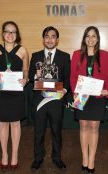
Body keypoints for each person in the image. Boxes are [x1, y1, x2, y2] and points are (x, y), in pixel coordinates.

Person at [70, 26, 108, 174]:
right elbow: (73, 77)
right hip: (81, 96)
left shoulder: (105, 55)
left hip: (98, 96)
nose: (91, 39)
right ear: (84, 38)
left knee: (94, 127)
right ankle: (84, 159)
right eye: (88, 36)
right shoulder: (76, 54)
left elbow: (107, 77)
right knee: (83, 126)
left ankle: (92, 160)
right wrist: (74, 92)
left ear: (98, 38)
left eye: (94, 36)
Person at [28, 26, 70, 170]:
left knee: (56, 131)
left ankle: (57, 157)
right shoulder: (36, 56)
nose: (50, 39)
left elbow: (67, 79)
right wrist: (36, 76)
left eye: (53, 36)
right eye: (47, 36)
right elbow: (29, 77)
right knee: (39, 130)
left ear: (57, 40)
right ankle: (38, 157)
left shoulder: (65, 56)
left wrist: (64, 90)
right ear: (43, 39)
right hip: (39, 99)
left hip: (56, 99)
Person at [0, 21, 29, 170]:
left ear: (17, 34)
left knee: (15, 123)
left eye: (13, 32)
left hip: (16, 91)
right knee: (3, 123)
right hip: (1, 91)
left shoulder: (23, 51)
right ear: (2, 33)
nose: (10, 34)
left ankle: (15, 155)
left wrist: (25, 80)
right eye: (7, 31)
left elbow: (26, 71)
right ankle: (4, 154)